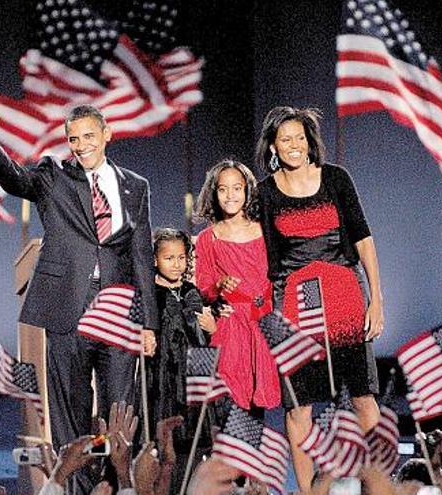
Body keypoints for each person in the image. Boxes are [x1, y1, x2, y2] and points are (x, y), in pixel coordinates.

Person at [0, 100, 158, 492]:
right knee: (72, 408)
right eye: (73, 139)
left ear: (107, 135)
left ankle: (113, 485)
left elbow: (141, 255)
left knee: (119, 411)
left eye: (88, 136)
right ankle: (78, 488)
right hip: (69, 306)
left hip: (120, 309)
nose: (81, 145)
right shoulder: (54, 175)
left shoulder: (135, 186)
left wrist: (149, 322)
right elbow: (17, 180)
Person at [254, 106, 385, 491]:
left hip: (345, 296)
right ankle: (309, 491)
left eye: (299, 138)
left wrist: (376, 299)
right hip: (295, 306)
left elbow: (363, 239)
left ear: (310, 142)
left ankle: (379, 484)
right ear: (274, 147)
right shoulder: (264, 193)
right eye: (285, 139)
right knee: (299, 406)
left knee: (362, 399)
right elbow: (257, 251)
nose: (294, 146)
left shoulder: (336, 179)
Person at [194, 159, 281, 411]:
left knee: (258, 407)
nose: (230, 195)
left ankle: (252, 451)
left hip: (264, 323)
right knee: (231, 404)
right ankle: (227, 450)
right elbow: (204, 288)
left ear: (247, 190)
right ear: (214, 192)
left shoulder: (265, 230)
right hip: (231, 326)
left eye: (236, 188)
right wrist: (219, 286)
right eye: (223, 189)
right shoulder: (208, 238)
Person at [149, 227, 217, 492]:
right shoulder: (151, 293)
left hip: (193, 380)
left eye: (181, 258)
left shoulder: (193, 293)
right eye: (169, 258)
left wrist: (212, 328)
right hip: (162, 379)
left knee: (196, 441)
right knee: (166, 442)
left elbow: (204, 337)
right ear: (155, 260)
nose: (176, 264)